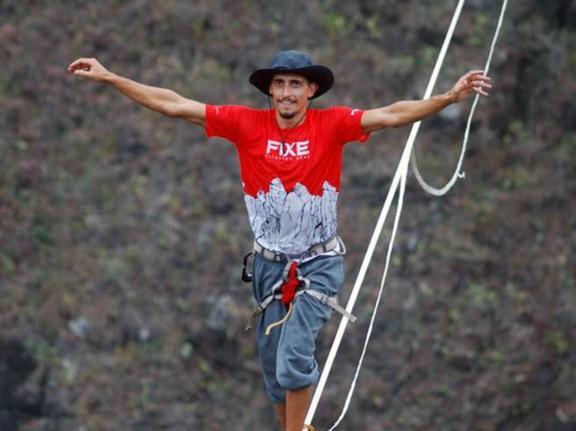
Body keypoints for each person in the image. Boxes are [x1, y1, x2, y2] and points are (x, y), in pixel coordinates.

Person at [67, 50, 492, 431]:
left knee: (293, 361)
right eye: (280, 84)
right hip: (269, 267)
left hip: (317, 264)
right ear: (270, 90)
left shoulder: (334, 124)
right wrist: (112, 78)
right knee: (275, 378)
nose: (286, 93)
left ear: (311, 91)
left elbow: (392, 114)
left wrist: (448, 98)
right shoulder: (245, 124)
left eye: (295, 84)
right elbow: (175, 104)